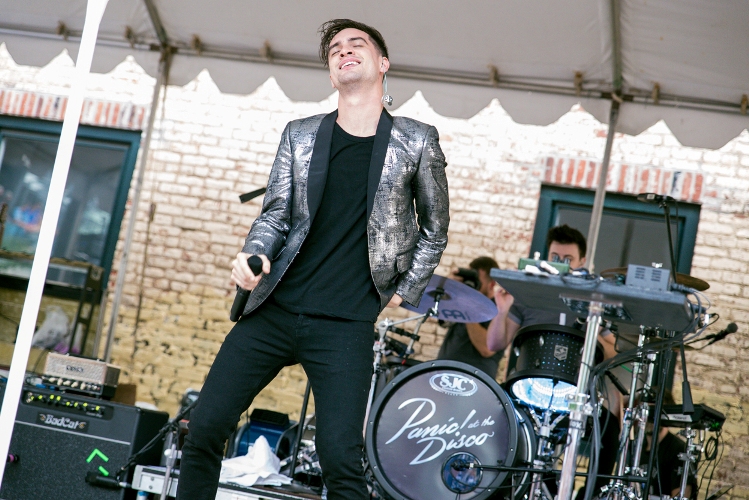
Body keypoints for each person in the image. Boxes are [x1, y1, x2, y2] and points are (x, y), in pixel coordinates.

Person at [175, 19, 449, 500]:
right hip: (274, 309)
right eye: (335, 49)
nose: (344, 51)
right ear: (330, 72)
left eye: (357, 44)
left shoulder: (417, 140)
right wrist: (254, 254)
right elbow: (275, 214)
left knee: (340, 459)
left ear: (383, 63)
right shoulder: (300, 135)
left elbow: (435, 227)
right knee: (204, 428)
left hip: (345, 323)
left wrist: (405, 290)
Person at [486, 224, 619, 496]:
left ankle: (588, 494)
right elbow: (494, 344)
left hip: (573, 395)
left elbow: (614, 351)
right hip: (526, 389)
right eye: (555, 258)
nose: (560, 264)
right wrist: (502, 311)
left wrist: (592, 327)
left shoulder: (591, 301)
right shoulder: (528, 295)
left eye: (568, 260)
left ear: (582, 262)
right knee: (489, 408)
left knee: (608, 427)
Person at [437, 256, 503, 377]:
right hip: (443, 373)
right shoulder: (464, 300)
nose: (472, 284)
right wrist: (449, 288)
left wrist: (468, 306)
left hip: (475, 379)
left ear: (492, 284)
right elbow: (443, 319)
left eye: (477, 280)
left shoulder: (499, 309)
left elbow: (486, 349)